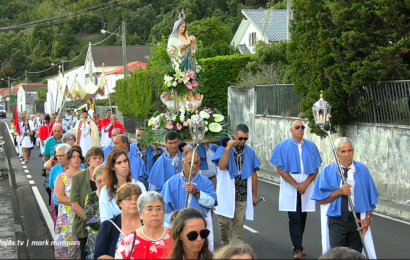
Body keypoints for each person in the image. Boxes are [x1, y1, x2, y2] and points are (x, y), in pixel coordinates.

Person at [311, 137, 379, 259]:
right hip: (337, 221)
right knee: (337, 256)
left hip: (357, 220)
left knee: (355, 255)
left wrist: (368, 218)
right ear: (337, 153)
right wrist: (339, 192)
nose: (347, 155)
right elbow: (320, 200)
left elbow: (371, 199)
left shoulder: (362, 170)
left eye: (349, 151)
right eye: (343, 152)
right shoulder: (326, 172)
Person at [269, 120, 322, 259]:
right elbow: (280, 169)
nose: (300, 129)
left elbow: (316, 169)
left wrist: (305, 183)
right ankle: (298, 249)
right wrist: (296, 185)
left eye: (302, 127)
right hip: (290, 186)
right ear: (291, 130)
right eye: (297, 127)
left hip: (307, 186)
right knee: (294, 218)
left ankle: (297, 243)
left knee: (303, 217)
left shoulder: (311, 146)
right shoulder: (282, 146)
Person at [213, 124, 260, 245]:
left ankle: (233, 249)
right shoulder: (223, 149)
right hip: (226, 192)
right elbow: (222, 166)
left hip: (242, 193)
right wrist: (227, 148)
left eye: (245, 139)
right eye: (240, 138)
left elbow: (254, 174)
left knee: (238, 224)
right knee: (223, 222)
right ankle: (225, 242)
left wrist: (254, 195)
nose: (243, 141)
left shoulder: (249, 152)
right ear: (234, 135)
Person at [161, 149, 217, 251]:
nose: (194, 166)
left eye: (197, 163)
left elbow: (211, 202)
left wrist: (196, 192)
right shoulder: (171, 183)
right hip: (178, 228)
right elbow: (162, 209)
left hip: (199, 229)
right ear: (182, 163)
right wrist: (174, 216)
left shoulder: (205, 182)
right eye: (191, 163)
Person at [115, 191, 173, 259]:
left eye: (159, 209)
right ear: (140, 214)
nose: (155, 213)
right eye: (149, 209)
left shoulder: (174, 236)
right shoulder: (130, 239)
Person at [70, 147, 104, 259]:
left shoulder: (108, 177)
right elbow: (74, 204)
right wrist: (92, 222)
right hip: (84, 224)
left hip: (104, 224)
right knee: (86, 254)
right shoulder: (78, 178)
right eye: (94, 158)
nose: (98, 160)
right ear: (88, 160)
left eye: (100, 158)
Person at [95, 183, 143, 259]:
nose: (133, 202)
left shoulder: (148, 224)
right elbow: (99, 255)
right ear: (119, 202)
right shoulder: (108, 226)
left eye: (137, 198)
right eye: (129, 199)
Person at [99, 149, 146, 222]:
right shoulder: (105, 191)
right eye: (119, 163)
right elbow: (105, 219)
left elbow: (145, 212)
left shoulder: (139, 186)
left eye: (125, 161)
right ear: (112, 167)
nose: (124, 165)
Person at [54, 146, 84, 259]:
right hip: (67, 217)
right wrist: (75, 202)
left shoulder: (86, 174)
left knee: (81, 249)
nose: (76, 159)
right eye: (73, 157)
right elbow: (60, 198)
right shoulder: (62, 176)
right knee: (66, 249)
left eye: (78, 157)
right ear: (68, 159)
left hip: (82, 215)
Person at [84, 165, 105, 260]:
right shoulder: (90, 197)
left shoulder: (116, 196)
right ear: (95, 182)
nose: (102, 184)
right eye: (99, 181)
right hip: (95, 239)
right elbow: (90, 220)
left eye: (105, 180)